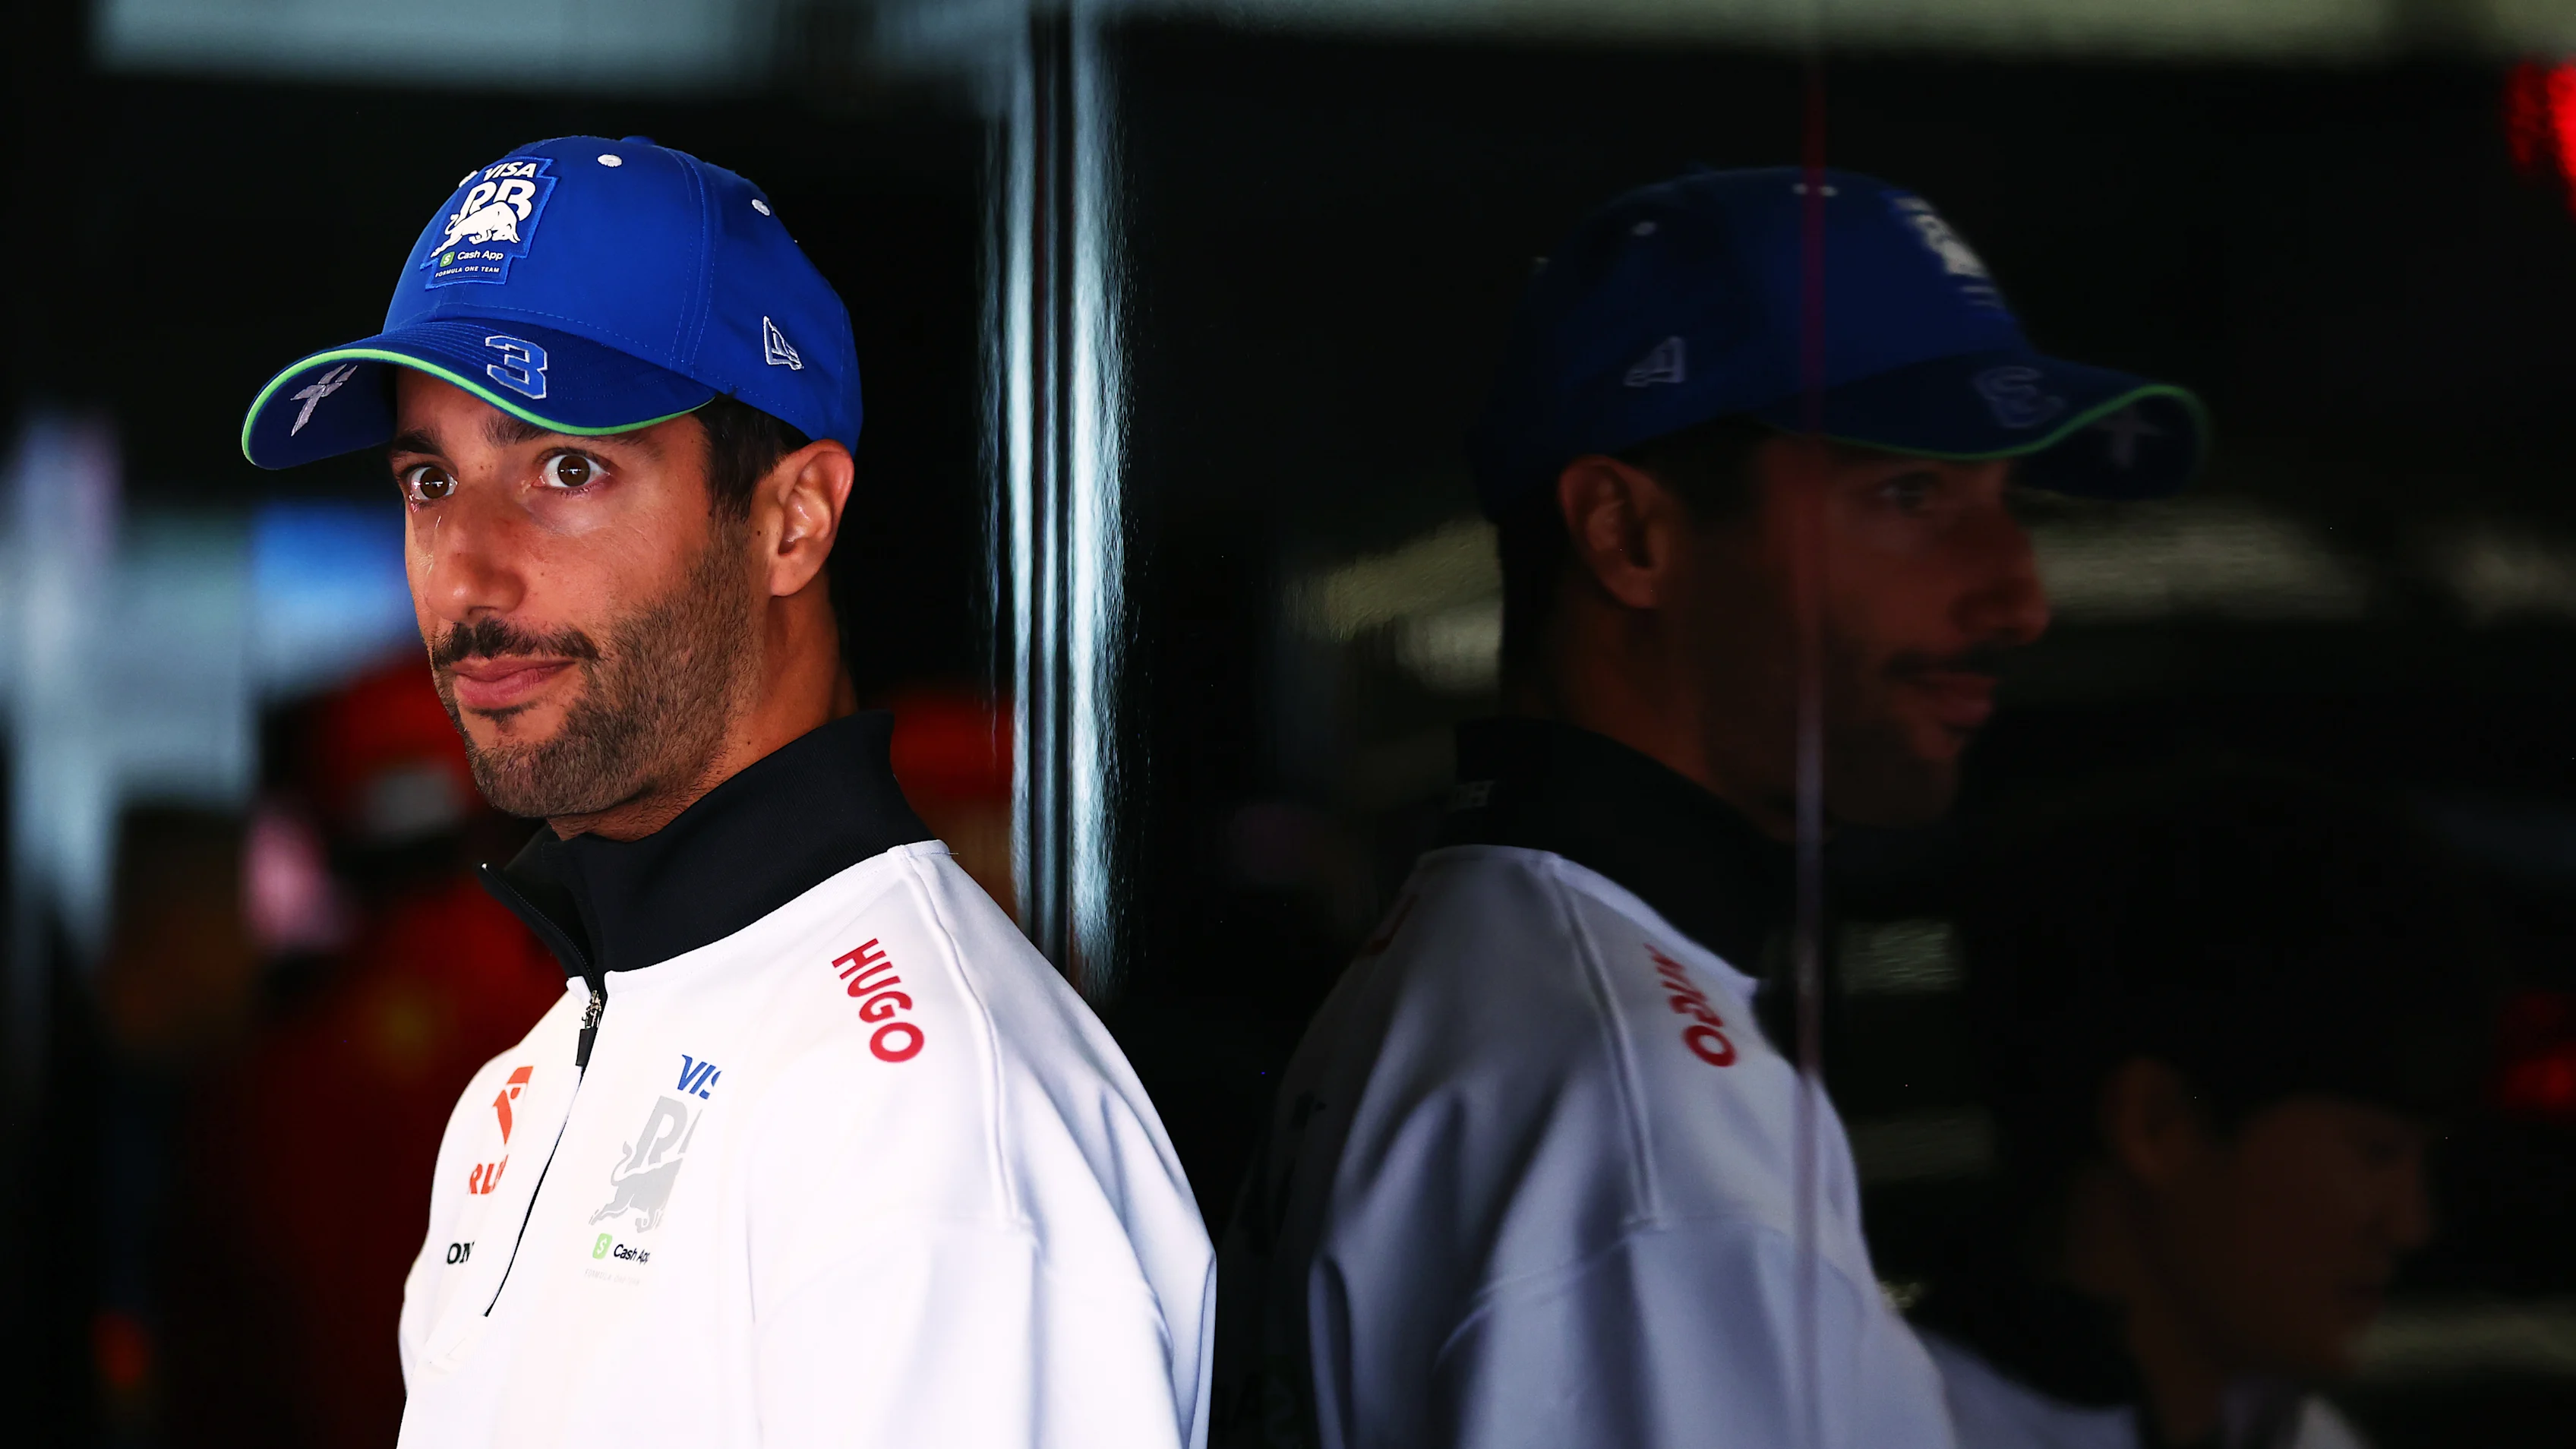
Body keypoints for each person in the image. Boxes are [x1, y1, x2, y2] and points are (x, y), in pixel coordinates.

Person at [239, 136, 1213, 1448]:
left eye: (567, 468)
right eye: (430, 480)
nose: (466, 574)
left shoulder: (921, 1120)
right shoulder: (529, 1081)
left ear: (793, 518)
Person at [1214, 166, 2208, 1449]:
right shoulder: (1642, 1124)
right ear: (1630, 536)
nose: (2016, 598)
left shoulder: (1510, 962)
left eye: (2006, 504)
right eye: (1910, 497)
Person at [1918, 763, 2493, 1449]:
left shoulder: (2307, 1435)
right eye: (2375, 1153)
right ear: (2156, 1125)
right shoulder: (1880, 1423)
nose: (2410, 1224)